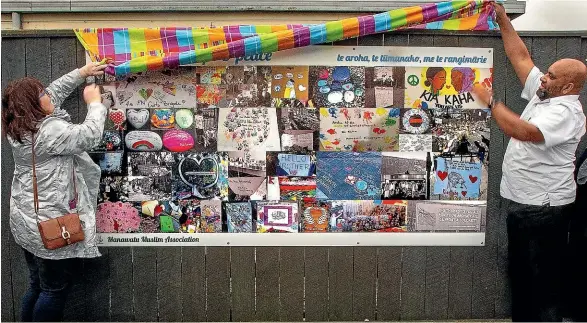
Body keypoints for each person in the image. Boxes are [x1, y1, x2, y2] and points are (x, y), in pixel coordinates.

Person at [473, 3, 587, 322]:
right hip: (526, 203)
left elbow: (524, 132)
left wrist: (490, 102)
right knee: (523, 273)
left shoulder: (566, 113)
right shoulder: (546, 94)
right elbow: (520, 57)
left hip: (544, 209)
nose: (543, 77)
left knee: (542, 281)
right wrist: (502, 19)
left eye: (550, 76)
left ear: (566, 86)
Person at [1, 61, 108, 322]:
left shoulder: (19, 126)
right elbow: (90, 135)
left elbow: (53, 92)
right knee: (54, 290)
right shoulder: (49, 131)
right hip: (51, 222)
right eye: (41, 95)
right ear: (34, 105)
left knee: (37, 285)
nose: (48, 95)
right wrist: (95, 103)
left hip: (27, 221)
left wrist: (82, 73)